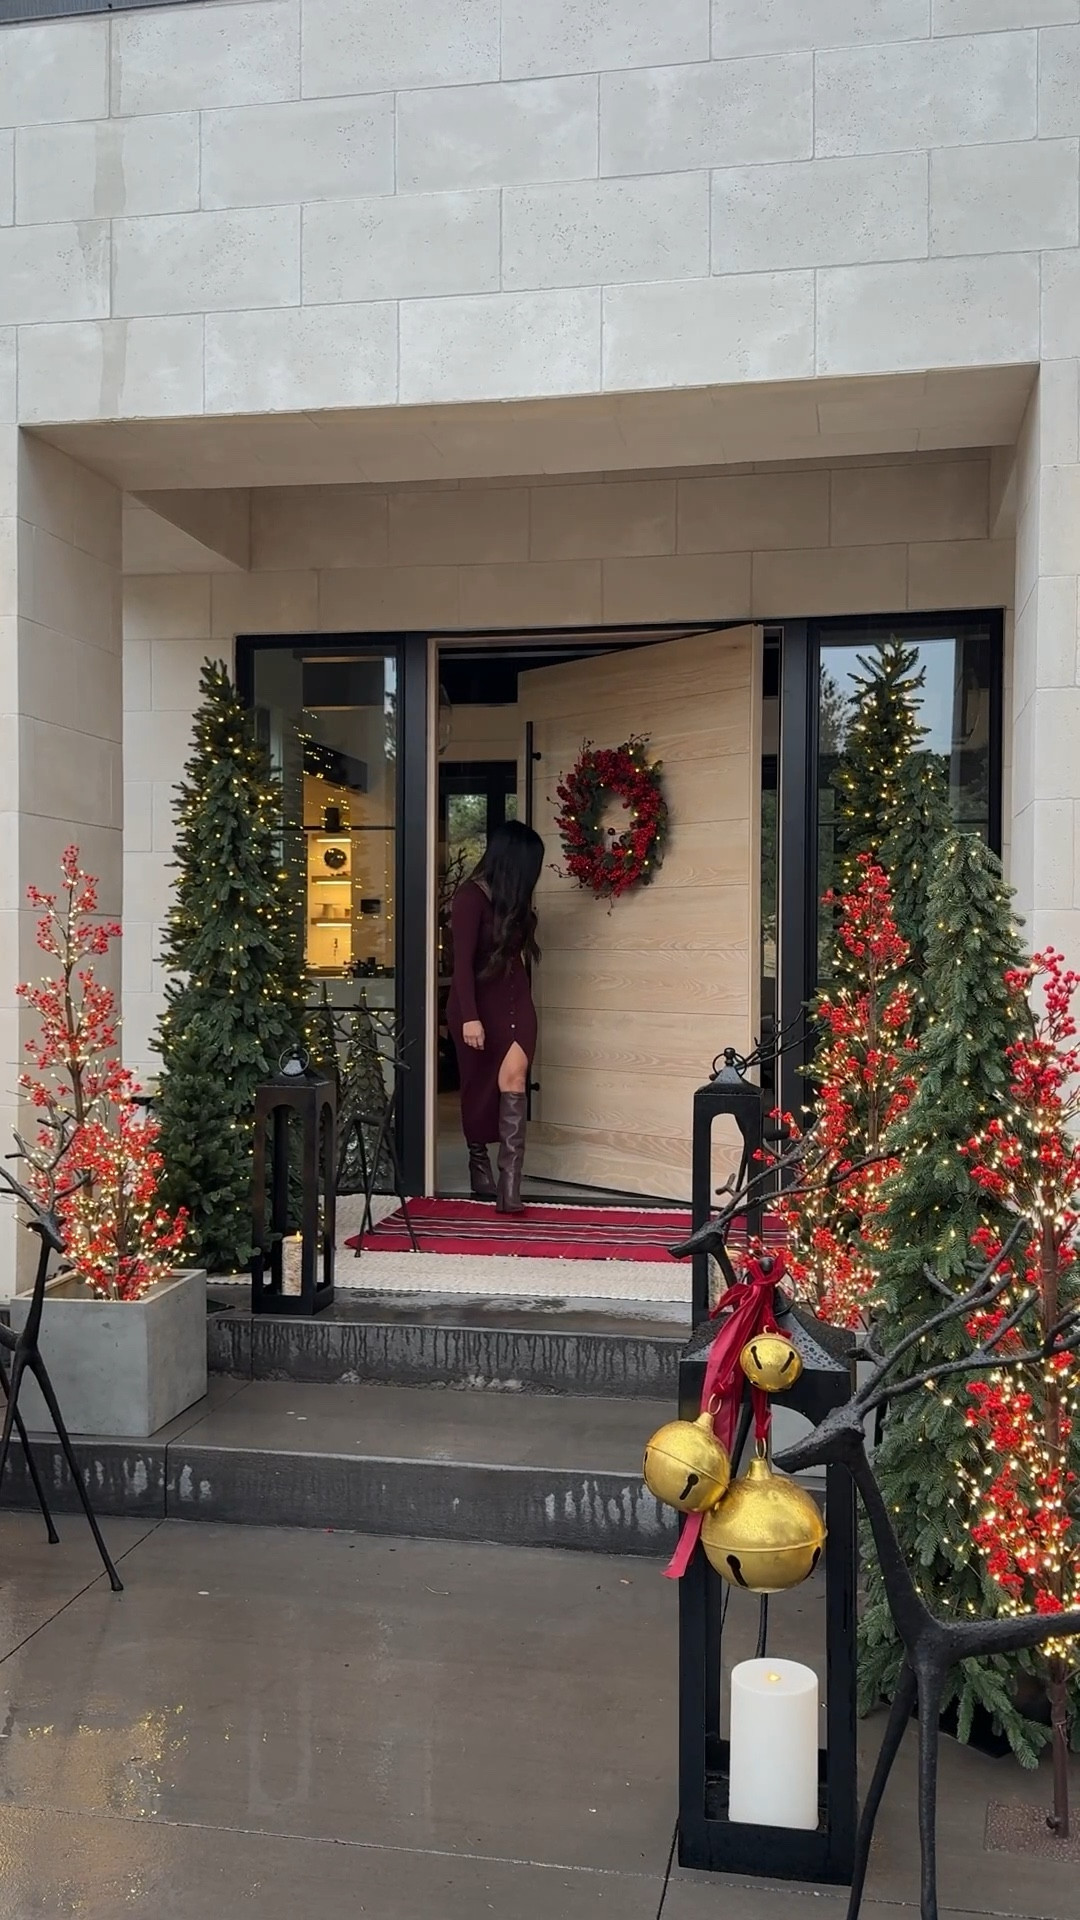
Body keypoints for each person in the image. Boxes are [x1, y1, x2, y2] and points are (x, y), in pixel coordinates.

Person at [446, 819, 544, 1213]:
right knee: (477, 1086)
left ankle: (510, 1188)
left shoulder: (513, 898)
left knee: (514, 1080)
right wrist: (470, 1017)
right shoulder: (469, 897)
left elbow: (516, 957)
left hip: (515, 1001)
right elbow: (461, 966)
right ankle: (478, 1162)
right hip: (475, 1006)